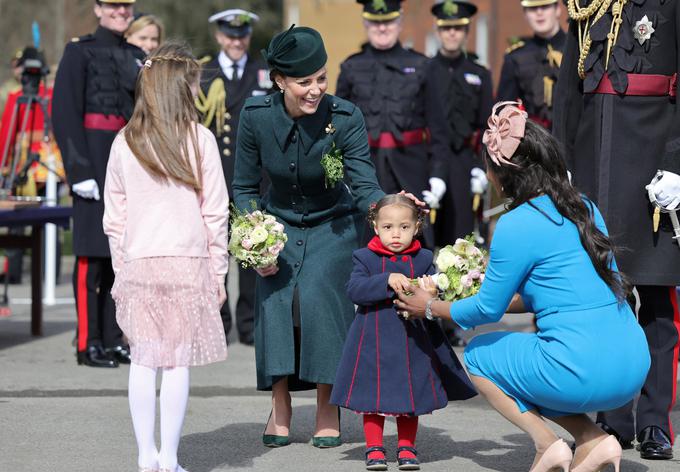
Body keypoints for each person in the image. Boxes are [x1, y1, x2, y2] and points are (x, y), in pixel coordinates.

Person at [395, 102, 650, 472]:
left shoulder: (516, 223)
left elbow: (487, 311)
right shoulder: (585, 207)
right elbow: (552, 294)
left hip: (581, 369)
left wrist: (430, 307)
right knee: (536, 364)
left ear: (501, 173)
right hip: (633, 363)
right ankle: (593, 440)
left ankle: (548, 445)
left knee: (482, 355)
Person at [233, 25, 388, 448]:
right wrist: (256, 237)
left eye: (321, 77)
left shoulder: (346, 117)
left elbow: (364, 184)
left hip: (333, 224)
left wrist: (388, 211)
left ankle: (326, 403)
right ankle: (279, 403)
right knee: (277, 299)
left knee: (320, 294)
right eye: (304, 82)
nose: (316, 89)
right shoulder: (255, 117)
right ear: (280, 80)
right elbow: (245, 189)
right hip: (277, 223)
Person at [553, 0, 680, 461]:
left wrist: (675, 163)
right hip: (591, 163)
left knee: (656, 301)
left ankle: (654, 423)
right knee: (601, 296)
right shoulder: (587, 5)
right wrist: (560, 165)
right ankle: (611, 418)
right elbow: (568, 89)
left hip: (651, 168)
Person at [103, 42, 229, 472]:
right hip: (186, 262)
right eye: (194, 84)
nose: (198, 91)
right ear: (180, 88)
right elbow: (215, 213)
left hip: (140, 262)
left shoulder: (125, 141)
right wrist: (219, 273)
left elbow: (114, 215)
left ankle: (146, 456)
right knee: (175, 363)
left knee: (142, 359)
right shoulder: (200, 140)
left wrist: (122, 265)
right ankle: (170, 458)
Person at [330, 194, 476, 471]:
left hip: (414, 339)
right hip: (372, 338)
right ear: (375, 227)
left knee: (411, 394)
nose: (396, 234)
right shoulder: (365, 257)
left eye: (404, 227)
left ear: (416, 227)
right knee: (372, 396)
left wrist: (433, 291)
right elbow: (355, 290)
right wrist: (386, 279)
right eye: (388, 227)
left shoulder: (422, 258)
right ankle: (374, 447)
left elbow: (436, 286)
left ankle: (407, 446)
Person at [52, 0, 144, 368]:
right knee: (91, 257)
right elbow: (64, 113)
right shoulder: (78, 52)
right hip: (93, 163)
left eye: (127, 6)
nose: (121, 11)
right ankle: (87, 340)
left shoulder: (138, 56)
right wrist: (79, 172)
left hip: (129, 168)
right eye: (114, 5)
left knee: (119, 257)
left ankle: (111, 338)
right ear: (98, 8)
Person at [336, 0, 452, 248]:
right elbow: (336, 130)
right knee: (363, 247)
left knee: (416, 248)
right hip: (364, 171)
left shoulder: (423, 65)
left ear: (399, 22)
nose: (382, 28)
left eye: (388, 21)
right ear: (366, 23)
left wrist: (438, 176)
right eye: (375, 22)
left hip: (412, 170)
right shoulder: (350, 67)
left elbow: (439, 128)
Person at [198, 8, 272, 346]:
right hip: (212, 175)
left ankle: (249, 324)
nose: (236, 41)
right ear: (218, 36)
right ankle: (217, 321)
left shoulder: (264, 74)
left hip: (253, 177)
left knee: (250, 251)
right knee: (212, 252)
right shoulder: (203, 73)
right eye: (230, 35)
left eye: (241, 36)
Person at [427, 0, 494, 347]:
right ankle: (420, 313)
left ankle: (450, 318)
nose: (451, 33)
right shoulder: (424, 70)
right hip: (430, 165)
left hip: (464, 166)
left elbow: (486, 128)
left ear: (466, 31)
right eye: (445, 28)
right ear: (438, 30)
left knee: (457, 245)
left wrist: (482, 170)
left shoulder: (479, 74)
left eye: (457, 28)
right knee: (425, 241)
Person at [497, 0, 565, 129]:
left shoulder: (576, 49)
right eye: (533, 9)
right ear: (525, 14)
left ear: (557, 9)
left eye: (545, 7)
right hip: (534, 140)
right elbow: (504, 110)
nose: (539, 13)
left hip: (572, 138)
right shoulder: (516, 57)